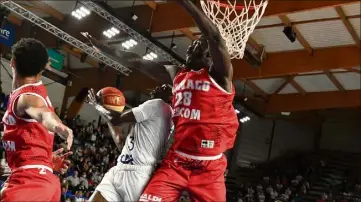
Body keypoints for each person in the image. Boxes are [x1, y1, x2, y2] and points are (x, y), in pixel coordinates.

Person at [140, 0, 239, 201]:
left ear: (210, 57)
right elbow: (137, 63)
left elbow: (215, 37)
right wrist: (101, 48)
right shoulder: (177, 74)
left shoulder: (220, 78)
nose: (192, 46)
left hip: (209, 167)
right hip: (177, 161)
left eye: (198, 46)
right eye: (192, 45)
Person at [0, 38, 73, 201]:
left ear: (12, 62)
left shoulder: (27, 97)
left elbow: (43, 114)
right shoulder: (36, 92)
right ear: (43, 69)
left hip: (30, 181)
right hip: (43, 178)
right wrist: (46, 161)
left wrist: (58, 126)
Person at [87, 85, 173, 202]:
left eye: (165, 88)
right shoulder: (161, 116)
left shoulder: (158, 104)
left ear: (171, 98)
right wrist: (105, 112)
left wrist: (97, 105)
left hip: (137, 176)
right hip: (122, 169)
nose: (158, 87)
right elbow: (120, 142)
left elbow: (116, 118)